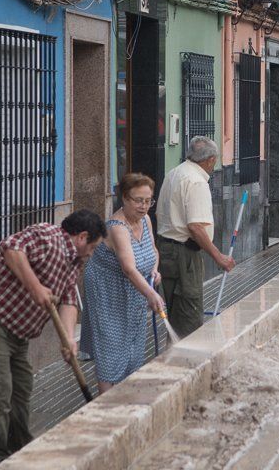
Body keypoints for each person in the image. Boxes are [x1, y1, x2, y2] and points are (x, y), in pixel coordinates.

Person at [0, 209, 105, 470]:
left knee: (20, 393)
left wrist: (68, 339)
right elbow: (11, 248)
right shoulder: (48, 235)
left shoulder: (74, 262)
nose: (92, 252)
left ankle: (20, 456)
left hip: (17, 335)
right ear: (81, 237)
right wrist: (35, 286)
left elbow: (69, 300)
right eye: (93, 246)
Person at [80, 173, 165, 394]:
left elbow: (153, 251)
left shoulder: (145, 220)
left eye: (148, 201)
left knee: (134, 344)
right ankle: (107, 405)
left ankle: (127, 395)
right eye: (138, 200)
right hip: (107, 290)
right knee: (111, 346)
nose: (144, 206)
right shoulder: (117, 227)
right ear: (125, 198)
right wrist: (152, 294)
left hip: (135, 289)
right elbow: (128, 268)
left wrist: (154, 270)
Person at [157, 136, 235, 338]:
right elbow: (196, 227)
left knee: (174, 315)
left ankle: (172, 357)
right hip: (184, 254)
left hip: (166, 250)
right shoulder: (196, 181)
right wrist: (219, 257)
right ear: (210, 160)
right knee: (188, 315)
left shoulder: (174, 173)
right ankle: (185, 361)